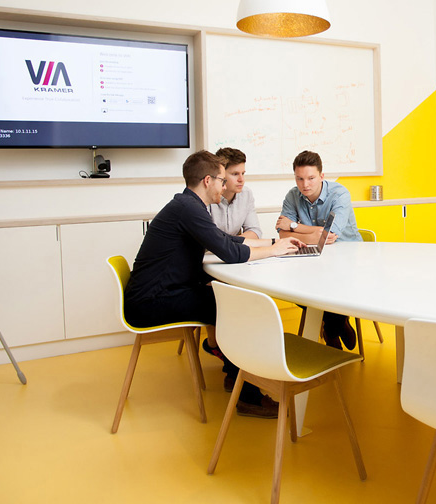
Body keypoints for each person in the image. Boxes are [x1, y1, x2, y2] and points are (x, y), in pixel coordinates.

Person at [124, 150, 303, 418]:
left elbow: (224, 240)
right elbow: (229, 252)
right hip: (150, 303)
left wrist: (274, 243)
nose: (224, 186)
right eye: (222, 180)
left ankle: (235, 377)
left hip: (160, 293)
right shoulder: (189, 209)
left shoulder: (188, 206)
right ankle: (248, 396)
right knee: (233, 307)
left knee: (228, 300)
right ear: (207, 181)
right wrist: (274, 251)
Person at [275, 150, 361, 350]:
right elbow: (283, 235)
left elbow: (330, 235)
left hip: (348, 258)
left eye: (311, 178)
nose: (305, 184)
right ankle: (337, 322)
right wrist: (316, 233)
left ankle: (331, 328)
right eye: (300, 178)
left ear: (322, 176)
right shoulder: (293, 195)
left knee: (335, 284)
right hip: (312, 258)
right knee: (296, 288)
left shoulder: (339, 194)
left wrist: (294, 226)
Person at [200, 147, 261, 366]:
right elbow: (206, 242)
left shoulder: (247, 194)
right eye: (235, 174)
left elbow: (255, 231)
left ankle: (242, 351)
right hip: (208, 264)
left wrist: (229, 244)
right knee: (219, 294)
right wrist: (231, 244)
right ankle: (221, 349)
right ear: (221, 175)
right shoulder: (206, 195)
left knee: (251, 292)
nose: (241, 179)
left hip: (234, 260)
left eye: (243, 173)